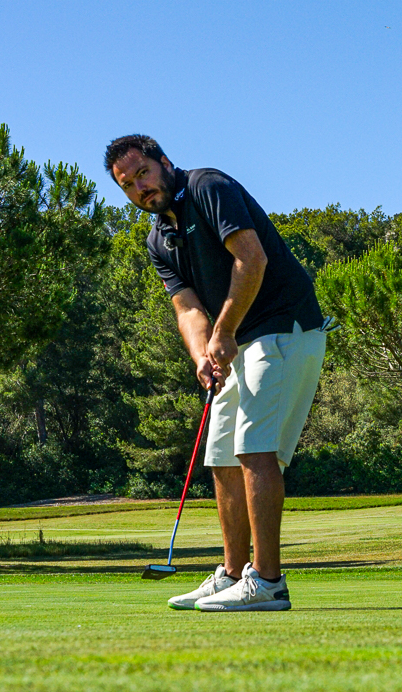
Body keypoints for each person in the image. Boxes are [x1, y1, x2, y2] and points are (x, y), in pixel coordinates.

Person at [106, 134, 328, 612]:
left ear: (164, 162)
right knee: (222, 455)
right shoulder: (158, 239)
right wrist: (201, 354)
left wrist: (223, 331)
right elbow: (187, 309)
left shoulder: (208, 186)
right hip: (240, 341)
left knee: (254, 450)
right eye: (128, 185)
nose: (140, 188)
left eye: (143, 173)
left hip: (282, 328)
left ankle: (268, 582)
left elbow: (252, 258)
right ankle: (232, 573)